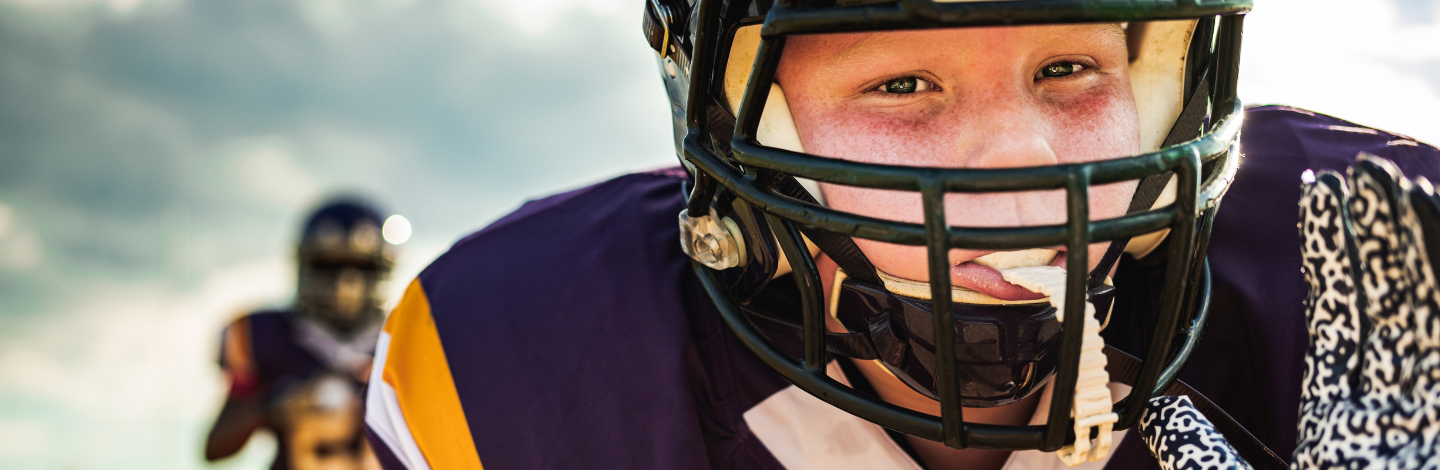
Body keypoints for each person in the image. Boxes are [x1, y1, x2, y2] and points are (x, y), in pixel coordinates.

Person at [363, 1, 1440, 469]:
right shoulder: (515, 363)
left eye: (1069, 67)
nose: (1023, 170)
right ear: (738, 118)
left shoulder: (1371, 264)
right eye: (901, 84)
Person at [207, 199, 397, 470]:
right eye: (330, 265)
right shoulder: (262, 334)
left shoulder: (405, 341)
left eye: (362, 266)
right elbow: (215, 448)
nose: (346, 282)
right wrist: (272, 405)